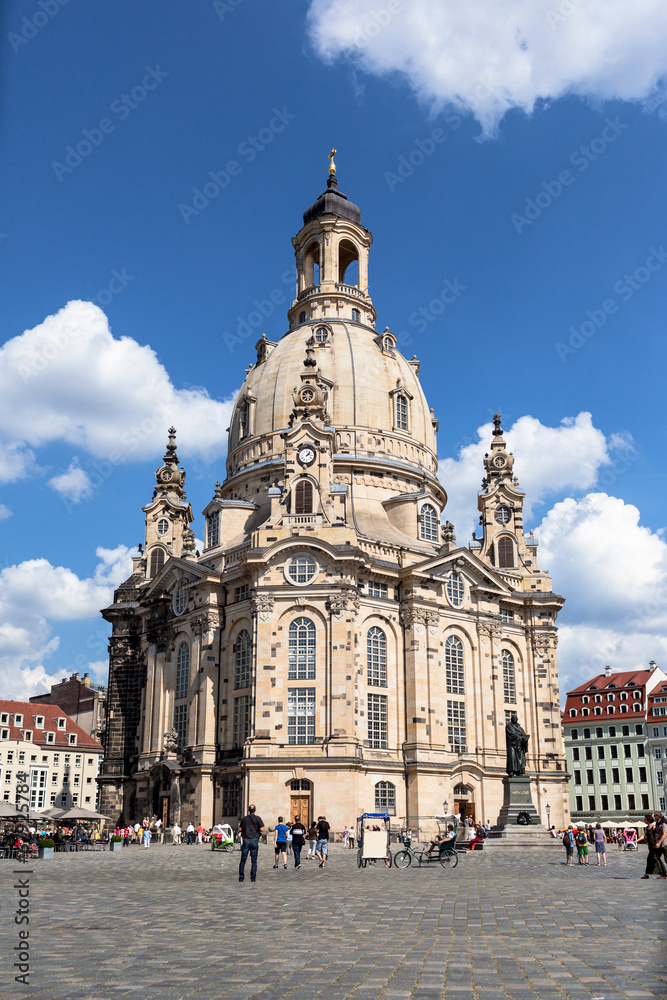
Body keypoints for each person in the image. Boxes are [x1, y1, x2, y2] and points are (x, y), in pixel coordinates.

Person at [238, 804, 265, 883]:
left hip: (246, 839)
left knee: (243, 860)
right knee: (254, 860)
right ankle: (253, 877)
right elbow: (262, 829)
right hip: (254, 840)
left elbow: (240, 829)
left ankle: (241, 877)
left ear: (248, 810)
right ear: (255, 810)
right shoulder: (258, 818)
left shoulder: (244, 819)